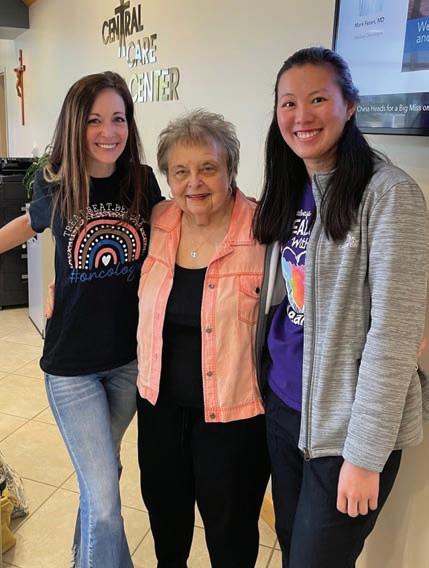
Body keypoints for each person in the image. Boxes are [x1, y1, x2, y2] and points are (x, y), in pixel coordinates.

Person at [252, 47, 428, 568]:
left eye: (317, 99)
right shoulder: (291, 186)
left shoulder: (389, 193)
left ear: (350, 105)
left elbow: (395, 334)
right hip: (285, 409)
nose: (301, 116)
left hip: (346, 432)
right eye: (288, 103)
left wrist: (365, 456)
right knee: (292, 551)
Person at [0, 71, 162, 568]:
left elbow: (173, 238)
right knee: (106, 499)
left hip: (129, 362)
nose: (109, 132)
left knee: (102, 481)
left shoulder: (143, 181)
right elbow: (29, 225)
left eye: (118, 118)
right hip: (72, 367)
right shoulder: (58, 182)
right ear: (75, 124)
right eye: (94, 120)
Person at [136, 109, 270, 568]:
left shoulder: (264, 230)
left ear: (231, 169)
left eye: (208, 168)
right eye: (180, 171)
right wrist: (61, 282)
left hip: (234, 416)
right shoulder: (158, 221)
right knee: (166, 522)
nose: (194, 182)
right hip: (159, 407)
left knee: (231, 532)